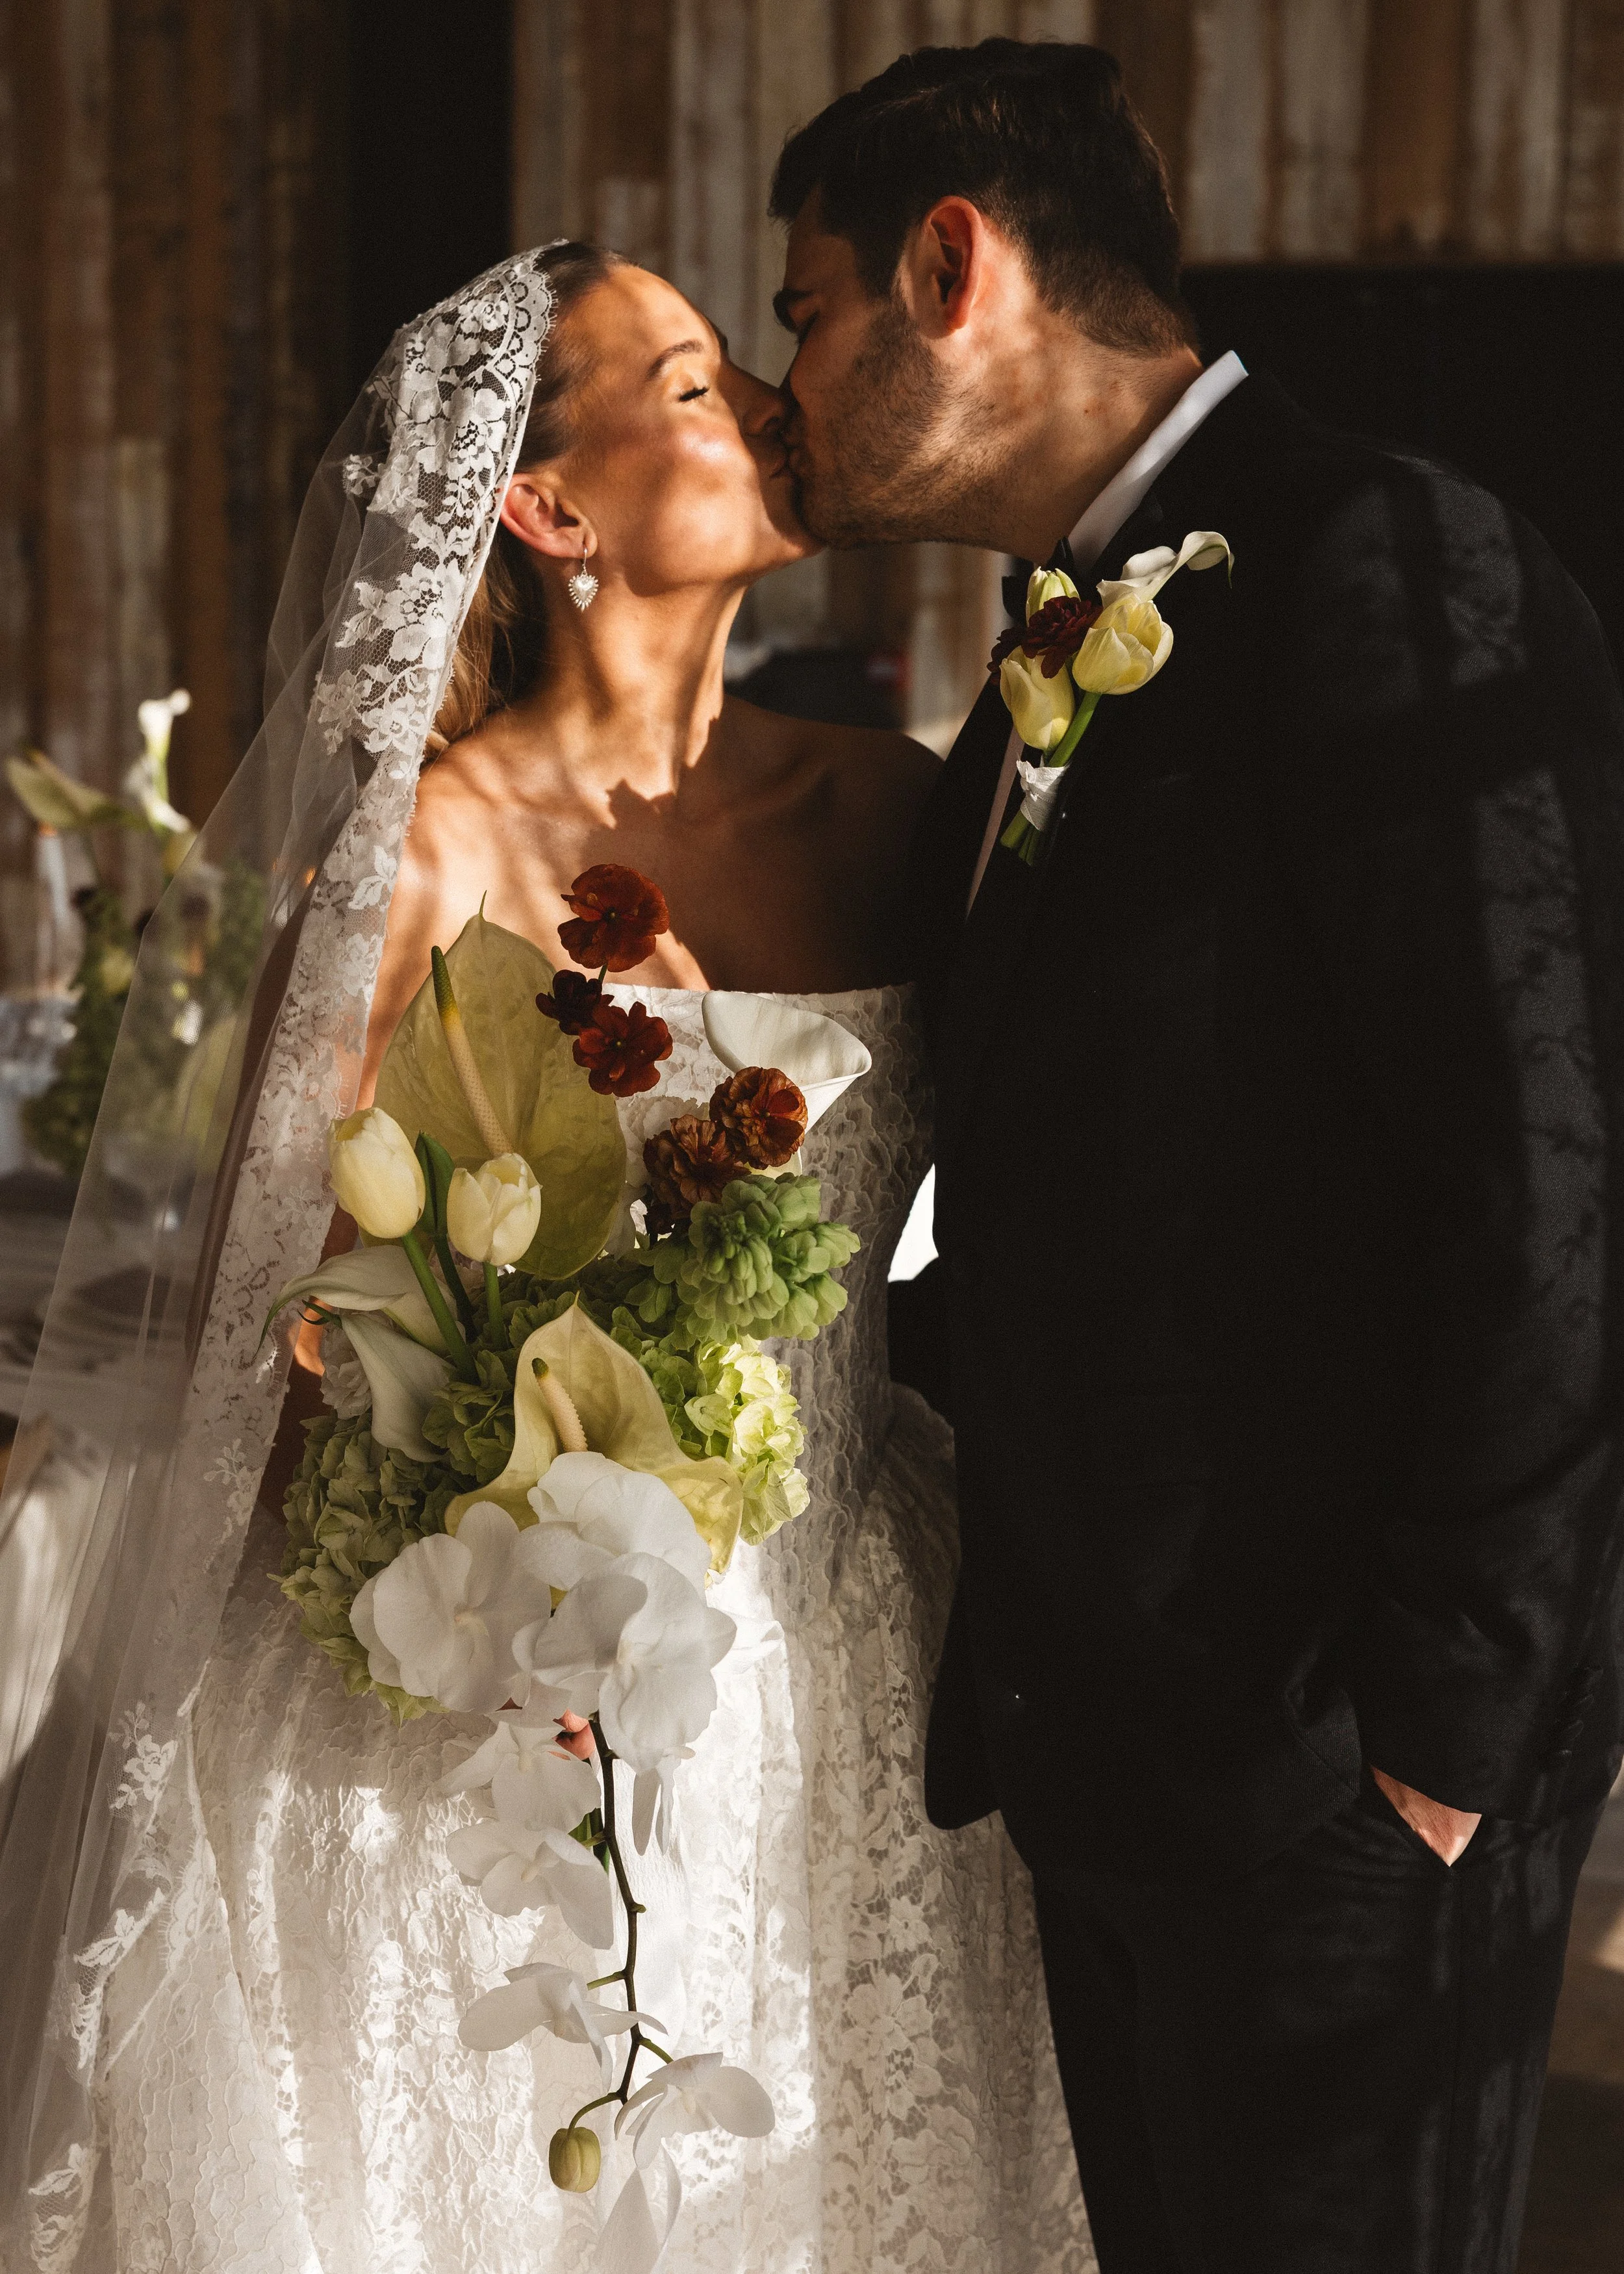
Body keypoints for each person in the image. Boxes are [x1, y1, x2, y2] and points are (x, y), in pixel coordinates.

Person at [0, 242, 1093, 2271]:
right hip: (496, 1686)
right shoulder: (418, 852)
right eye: (689, 389)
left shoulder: (896, 815)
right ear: (550, 507)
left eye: (744, 363)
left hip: (856, 1650)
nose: (765, 405)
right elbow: (287, 1309)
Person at [771, 38, 1624, 2274]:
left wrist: (1425, 1747)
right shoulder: (1051, 643)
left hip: (1340, 1778)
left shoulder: (1384, 560)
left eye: (800, 311)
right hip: (1116, 1753)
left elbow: (1550, 1175)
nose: (786, 379)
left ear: (950, 268)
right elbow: (1114, 1195)